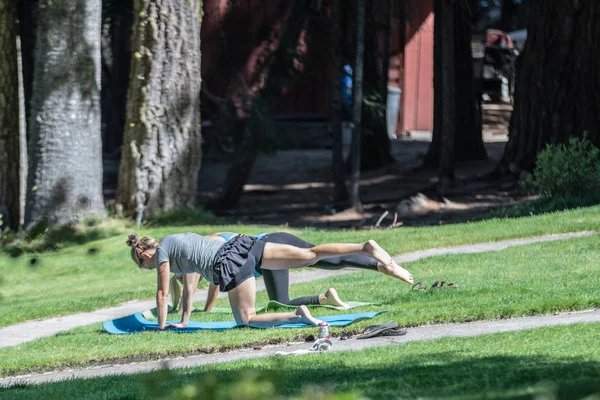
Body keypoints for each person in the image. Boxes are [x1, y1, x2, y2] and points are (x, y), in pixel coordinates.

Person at [126, 232, 413, 329]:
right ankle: (363, 247)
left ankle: (297, 315)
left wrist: (161, 327)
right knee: (310, 253)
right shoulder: (179, 244)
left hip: (228, 261)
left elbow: (163, 294)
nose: (149, 267)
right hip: (244, 246)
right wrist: (185, 320)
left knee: (247, 319)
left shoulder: (163, 251)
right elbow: (189, 288)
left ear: (146, 252)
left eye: (145, 263)